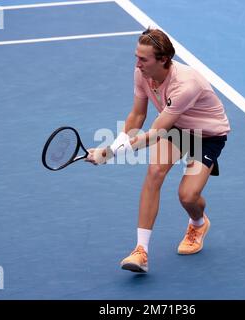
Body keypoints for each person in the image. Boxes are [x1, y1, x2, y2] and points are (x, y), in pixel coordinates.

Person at [86, 28, 230, 273]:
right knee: (155, 172)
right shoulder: (141, 73)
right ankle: (140, 252)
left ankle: (198, 223)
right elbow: (138, 115)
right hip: (177, 128)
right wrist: (117, 144)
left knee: (187, 196)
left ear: (163, 59)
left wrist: (109, 153)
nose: (137, 64)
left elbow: (155, 134)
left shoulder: (185, 85)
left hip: (206, 135)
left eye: (143, 59)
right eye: (136, 57)